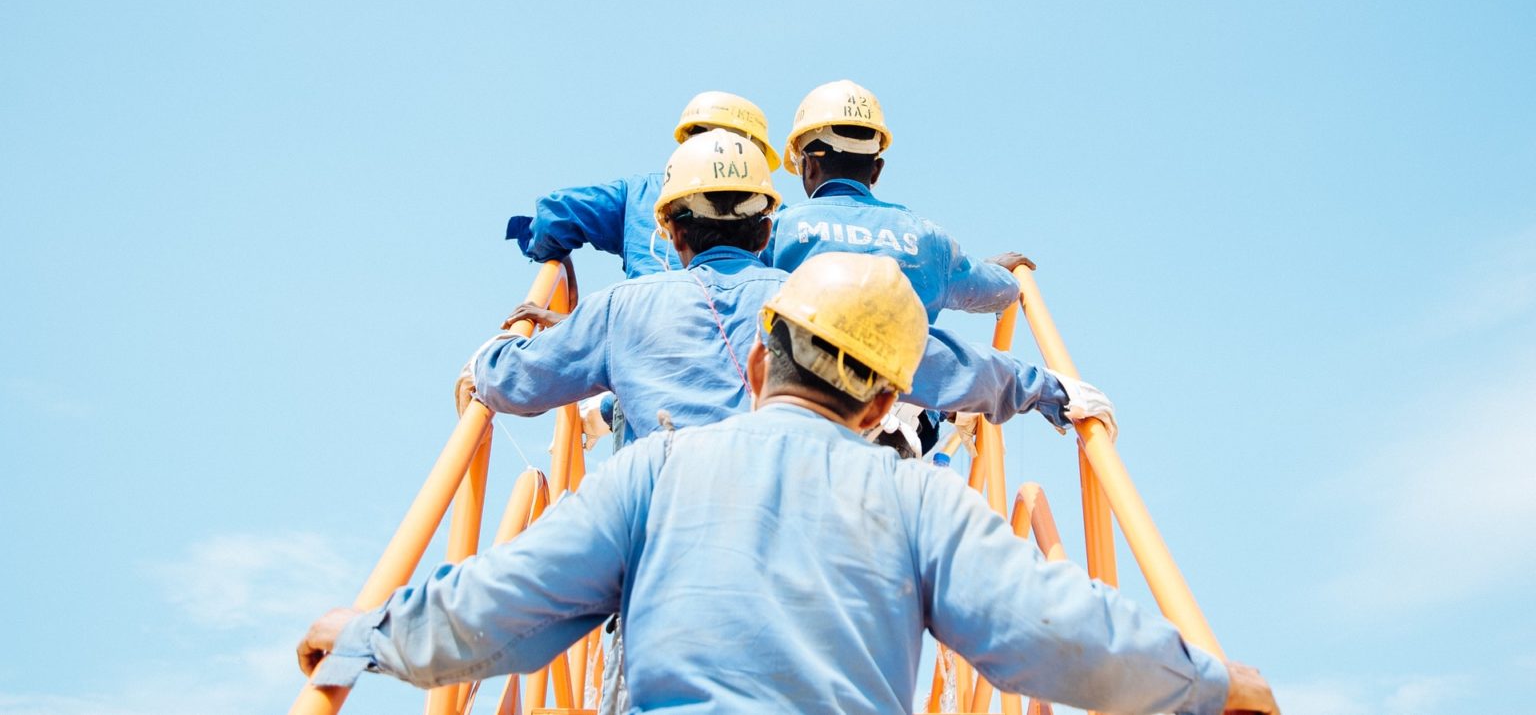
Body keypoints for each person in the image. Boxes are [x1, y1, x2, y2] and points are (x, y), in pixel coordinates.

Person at [299, 253, 1279, 715]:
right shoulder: (923, 499)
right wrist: (1206, 683)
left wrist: (360, 641)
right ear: (882, 403)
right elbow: (1050, 627)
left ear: (762, 362)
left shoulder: (652, 473)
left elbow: (503, 606)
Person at [458, 130, 1116, 446]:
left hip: (663, 554)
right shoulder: (822, 301)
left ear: (671, 229)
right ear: (767, 219)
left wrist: (504, 343)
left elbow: (510, 383)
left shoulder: (619, 309)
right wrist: (1049, 389)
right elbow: (941, 361)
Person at [768, 79, 1028, 323]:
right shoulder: (928, 238)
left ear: (809, 165)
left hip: (802, 369)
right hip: (904, 371)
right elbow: (1000, 291)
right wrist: (996, 271)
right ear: (876, 169)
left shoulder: (778, 230)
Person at [504, 90, 781, 279]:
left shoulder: (637, 195)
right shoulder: (772, 215)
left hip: (641, 339)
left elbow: (554, 217)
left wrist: (554, 256)